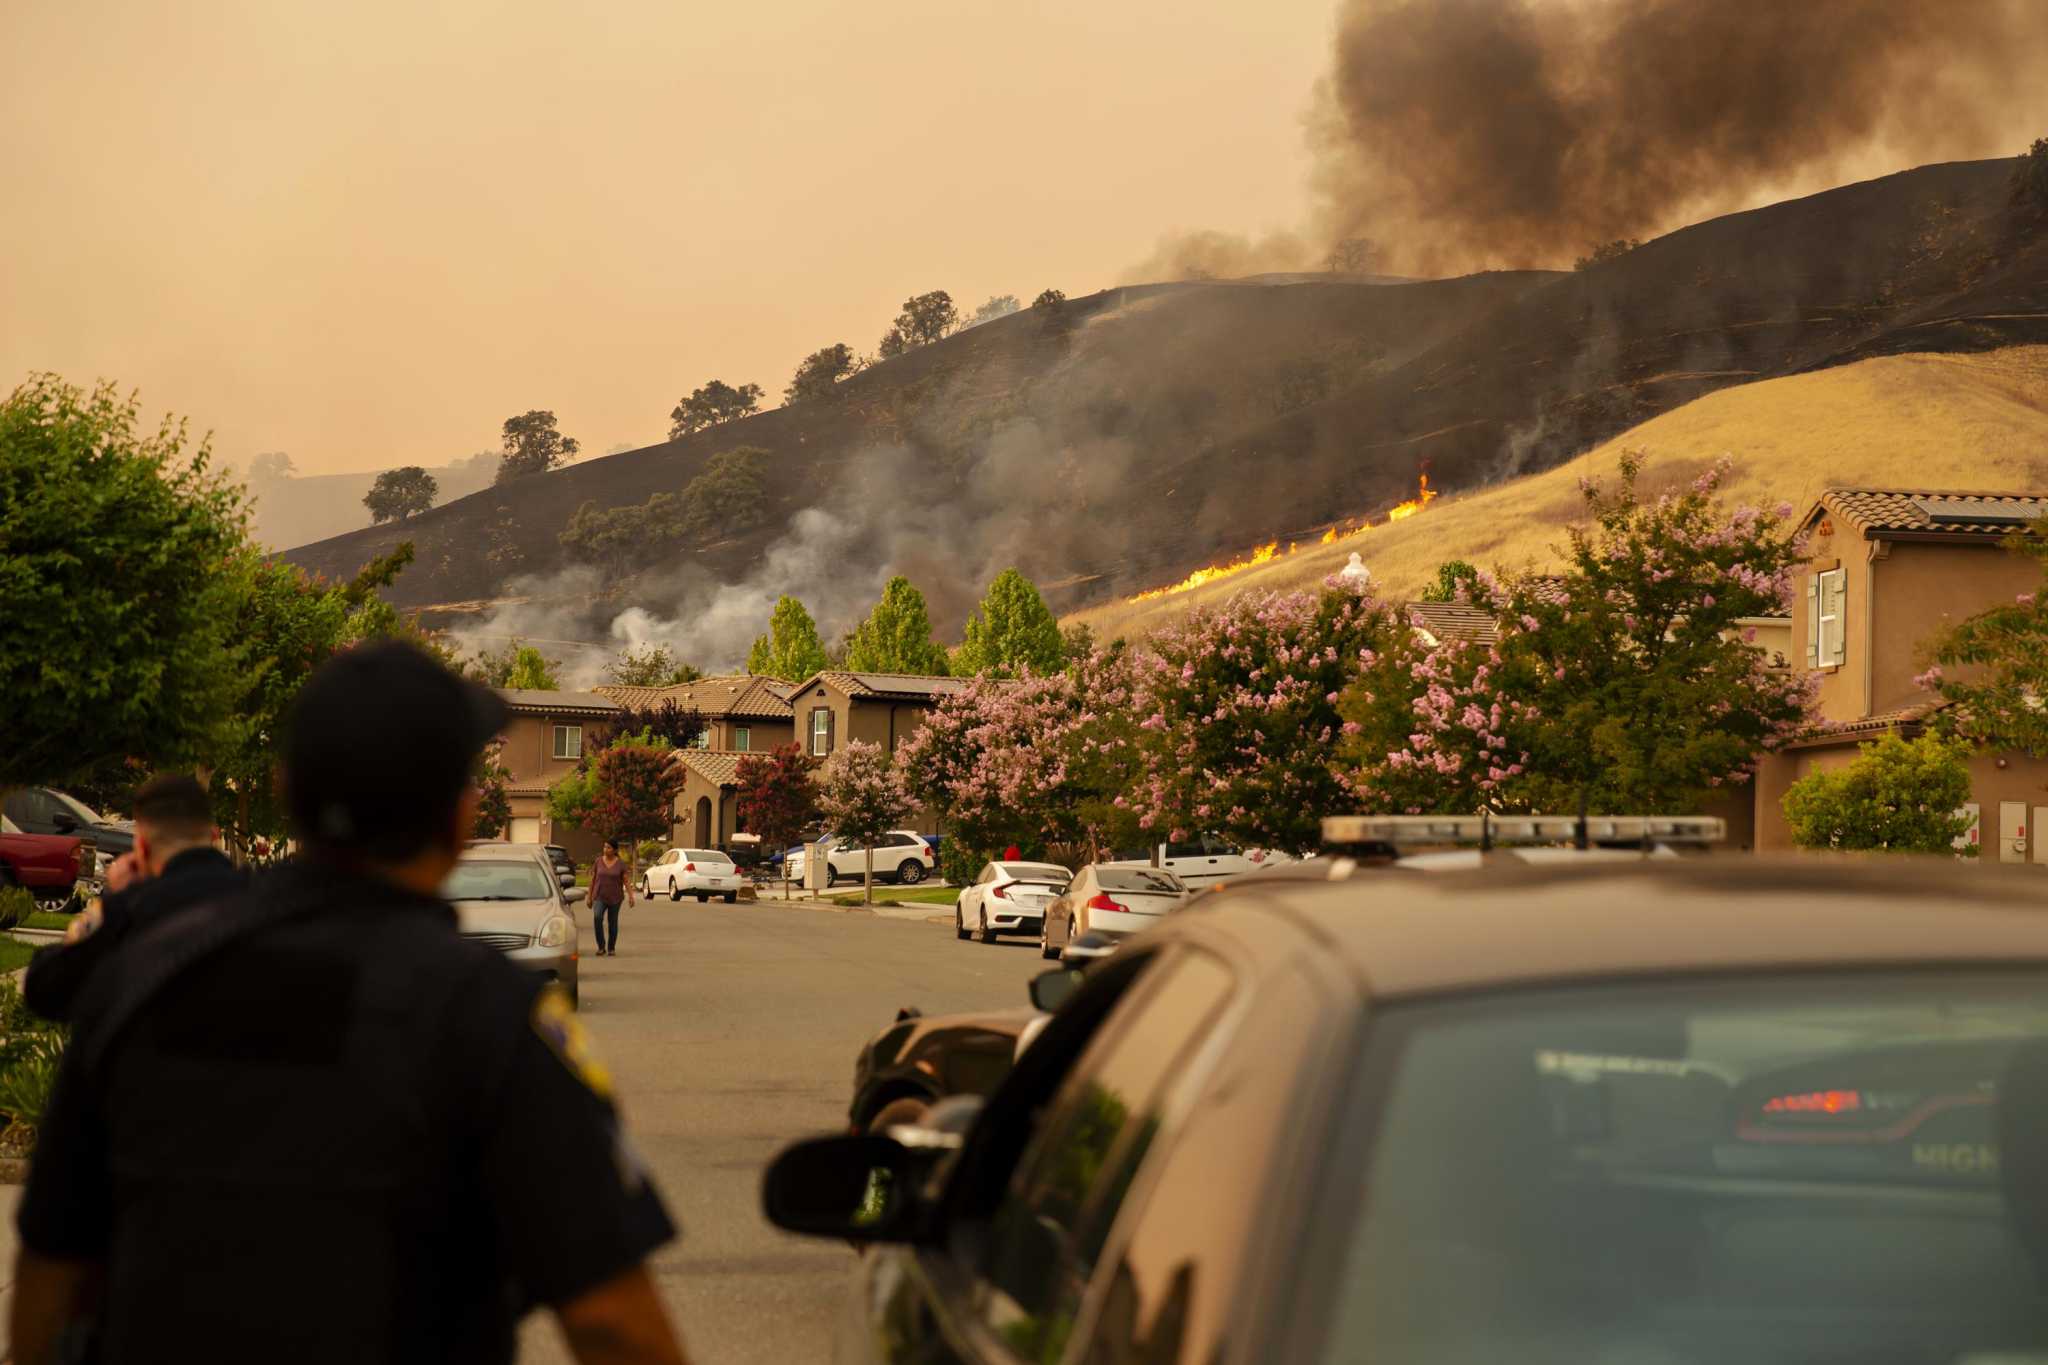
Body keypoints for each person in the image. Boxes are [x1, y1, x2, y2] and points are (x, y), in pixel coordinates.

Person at [11, 641, 690, 1365]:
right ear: (461, 813)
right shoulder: (485, 1013)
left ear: (288, 791)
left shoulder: (145, 972)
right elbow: (614, 1323)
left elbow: (51, 1269)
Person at [23, 772, 244, 1023]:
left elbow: (45, 989)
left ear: (142, 846)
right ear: (214, 835)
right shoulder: (257, 899)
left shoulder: (128, 913)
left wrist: (107, 906)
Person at [587, 838, 635, 957]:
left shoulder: (620, 864)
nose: (605, 849)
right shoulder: (598, 861)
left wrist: (631, 896)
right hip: (599, 896)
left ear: (614, 850)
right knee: (597, 917)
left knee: (612, 922)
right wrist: (589, 897)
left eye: (608, 847)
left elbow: (626, 881)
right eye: (604, 847)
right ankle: (601, 946)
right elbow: (592, 880)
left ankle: (611, 948)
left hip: (615, 897)